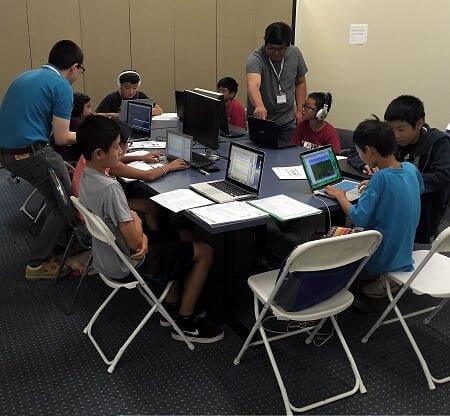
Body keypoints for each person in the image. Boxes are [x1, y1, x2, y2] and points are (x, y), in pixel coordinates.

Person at [77, 115, 224, 343]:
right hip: (128, 262)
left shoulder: (88, 175)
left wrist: (134, 220)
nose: (121, 151)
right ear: (98, 153)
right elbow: (137, 244)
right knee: (205, 251)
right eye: (117, 147)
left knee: (184, 235)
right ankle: (185, 322)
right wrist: (137, 221)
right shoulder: (110, 189)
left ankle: (171, 304)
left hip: (107, 257)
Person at [0, 39, 85, 281]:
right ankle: (37, 264)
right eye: (80, 70)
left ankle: (60, 244)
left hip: (8, 153)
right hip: (30, 153)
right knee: (65, 204)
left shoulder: (26, 76)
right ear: (75, 67)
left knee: (56, 192)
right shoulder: (61, 86)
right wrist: (93, 135)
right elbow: (62, 137)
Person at [326, 117, 424, 298]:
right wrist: (374, 186)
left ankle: (349, 280)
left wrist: (340, 196)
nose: (359, 156)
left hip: (382, 254)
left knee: (325, 237)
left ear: (370, 152)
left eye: (359, 152)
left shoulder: (380, 179)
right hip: (404, 248)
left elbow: (358, 218)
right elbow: (413, 189)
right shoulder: (410, 169)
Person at [347, 95, 450, 243]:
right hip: (390, 210)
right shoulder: (390, 138)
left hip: (422, 214)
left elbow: (443, 177)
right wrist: (366, 164)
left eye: (401, 129)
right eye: (391, 129)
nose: (395, 135)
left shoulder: (438, 142)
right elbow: (356, 150)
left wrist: (394, 183)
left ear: (419, 123)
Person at [246, 22, 308, 145]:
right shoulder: (256, 58)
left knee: (289, 152)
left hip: (288, 120)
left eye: (281, 49)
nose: (276, 53)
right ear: (266, 44)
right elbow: (253, 85)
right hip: (263, 120)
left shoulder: (295, 54)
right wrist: (259, 106)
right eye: (271, 48)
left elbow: (300, 82)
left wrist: (300, 110)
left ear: (288, 46)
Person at [95, 70, 163, 118]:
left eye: (134, 88)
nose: (131, 92)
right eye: (127, 88)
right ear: (120, 86)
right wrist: (117, 115)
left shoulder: (140, 95)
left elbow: (159, 110)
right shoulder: (112, 98)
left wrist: (140, 113)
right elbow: (97, 115)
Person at [53, 92, 93, 163]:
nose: (91, 112)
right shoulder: (77, 124)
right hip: (72, 164)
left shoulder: (65, 122)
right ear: (79, 107)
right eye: (88, 107)